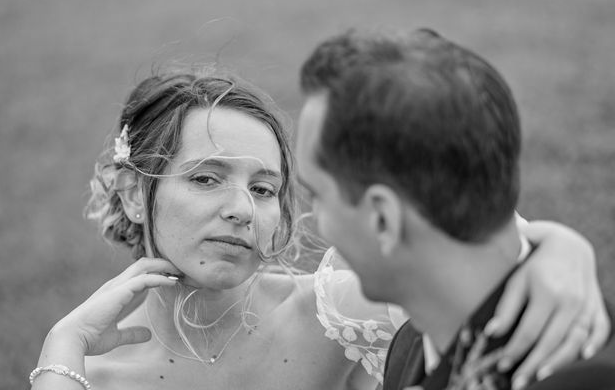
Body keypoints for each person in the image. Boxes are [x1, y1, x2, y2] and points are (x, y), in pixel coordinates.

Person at [31, 68, 608, 390]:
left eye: (263, 189)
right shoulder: (90, 374)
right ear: (135, 194)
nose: (242, 210)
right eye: (207, 179)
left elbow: (453, 244)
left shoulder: (337, 310)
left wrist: (553, 247)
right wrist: (63, 348)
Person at [295, 28, 615, 390]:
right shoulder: (410, 344)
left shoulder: (591, 379)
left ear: (383, 219)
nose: (316, 222)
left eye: (318, 195)